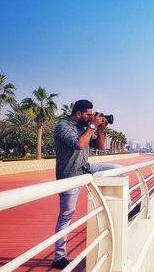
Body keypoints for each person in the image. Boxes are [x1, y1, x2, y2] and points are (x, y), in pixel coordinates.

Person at [51, 99, 122, 269]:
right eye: (89, 114)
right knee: (66, 214)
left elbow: (101, 147)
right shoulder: (63, 126)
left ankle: (129, 208)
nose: (91, 117)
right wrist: (91, 126)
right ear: (78, 114)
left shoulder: (85, 127)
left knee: (117, 169)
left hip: (86, 168)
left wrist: (101, 129)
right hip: (69, 175)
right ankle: (59, 257)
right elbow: (79, 144)